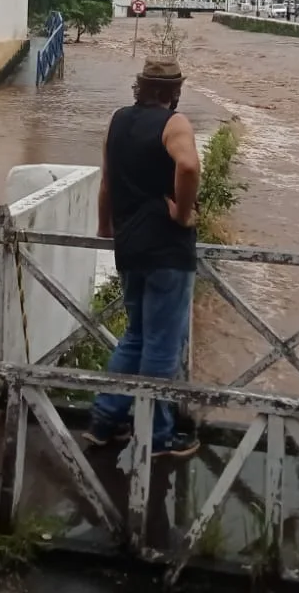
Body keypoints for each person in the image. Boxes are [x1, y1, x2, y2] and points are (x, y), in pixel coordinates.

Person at [84, 56, 203, 459]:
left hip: (130, 245)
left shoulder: (117, 121)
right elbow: (188, 166)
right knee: (162, 345)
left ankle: (104, 421)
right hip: (167, 248)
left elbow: (106, 183)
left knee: (135, 335)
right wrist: (183, 215)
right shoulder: (175, 123)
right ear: (174, 92)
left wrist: (105, 227)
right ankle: (158, 436)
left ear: (139, 88)